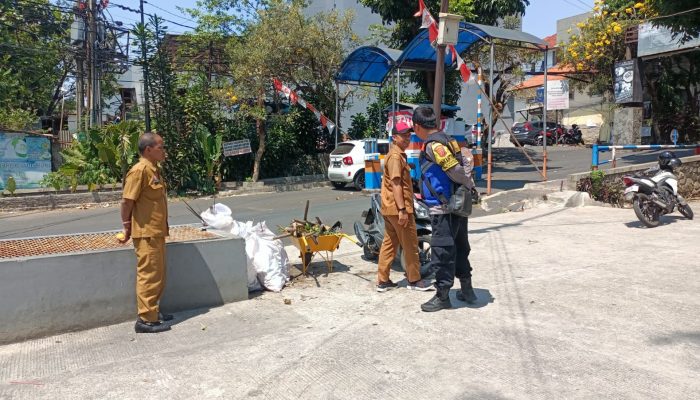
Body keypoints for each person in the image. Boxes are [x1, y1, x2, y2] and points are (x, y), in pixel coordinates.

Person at [412, 106, 477, 312]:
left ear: (417, 126)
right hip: (456, 206)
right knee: (460, 248)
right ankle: (467, 290)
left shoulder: (434, 145)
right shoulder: (449, 140)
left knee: (442, 251)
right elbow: (465, 161)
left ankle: (442, 296)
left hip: (444, 208)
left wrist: (465, 184)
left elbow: (455, 170)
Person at [119, 131, 173, 333]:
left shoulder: (153, 170)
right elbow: (127, 201)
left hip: (156, 231)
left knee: (158, 275)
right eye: (160, 147)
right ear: (148, 150)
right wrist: (126, 226)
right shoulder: (139, 171)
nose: (164, 151)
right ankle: (145, 320)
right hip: (145, 232)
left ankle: (154, 311)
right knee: (148, 276)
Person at [376, 122, 434, 292]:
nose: (407, 138)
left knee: (390, 244)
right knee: (410, 244)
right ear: (394, 137)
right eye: (404, 135)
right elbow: (396, 185)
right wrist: (402, 210)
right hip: (398, 209)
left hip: (390, 209)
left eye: (409, 135)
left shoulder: (398, 155)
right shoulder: (395, 157)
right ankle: (414, 280)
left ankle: (383, 280)